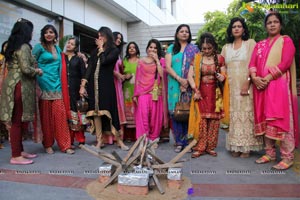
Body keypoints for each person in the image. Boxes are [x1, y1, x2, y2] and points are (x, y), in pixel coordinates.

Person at [249, 12, 298, 170]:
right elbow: (252, 63)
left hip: (278, 86)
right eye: (269, 22)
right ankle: (270, 153)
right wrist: (255, 78)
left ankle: (287, 156)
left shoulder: (286, 41)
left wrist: (268, 78)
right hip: (261, 88)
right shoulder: (260, 44)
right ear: (265, 26)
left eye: (275, 22)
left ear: (280, 25)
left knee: (282, 119)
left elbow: (285, 62)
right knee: (265, 118)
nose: (272, 24)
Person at [0, 18, 42, 164]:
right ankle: (16, 155)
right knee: (17, 121)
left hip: (11, 84)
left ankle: (20, 150)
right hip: (20, 86)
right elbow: (25, 69)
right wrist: (37, 70)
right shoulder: (23, 47)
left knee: (17, 120)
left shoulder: (11, 45)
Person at [79, 26, 129, 150]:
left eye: (102, 36)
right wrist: (83, 85)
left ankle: (119, 140)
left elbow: (105, 61)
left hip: (106, 85)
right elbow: (89, 68)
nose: (99, 38)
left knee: (110, 111)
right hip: (93, 86)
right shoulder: (94, 51)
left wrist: (101, 48)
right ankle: (100, 140)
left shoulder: (114, 50)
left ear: (107, 36)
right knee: (96, 113)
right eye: (98, 36)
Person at [221, 17, 264, 158]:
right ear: (231, 30)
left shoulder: (250, 44)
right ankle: (235, 145)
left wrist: (248, 81)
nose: (236, 28)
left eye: (239, 26)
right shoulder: (226, 48)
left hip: (247, 85)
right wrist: (222, 76)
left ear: (244, 29)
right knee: (233, 116)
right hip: (231, 88)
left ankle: (247, 147)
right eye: (234, 26)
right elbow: (222, 66)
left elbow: (255, 64)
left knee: (246, 114)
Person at [32, 24, 74, 154]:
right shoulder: (39, 47)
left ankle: (65, 145)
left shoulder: (57, 48)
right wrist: (37, 74)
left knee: (60, 116)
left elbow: (63, 63)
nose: (48, 34)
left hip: (57, 85)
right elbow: (31, 62)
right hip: (43, 84)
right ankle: (48, 144)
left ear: (55, 34)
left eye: (51, 32)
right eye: (46, 32)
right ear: (43, 35)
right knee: (46, 118)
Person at [189, 32, 226, 158]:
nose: (206, 51)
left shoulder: (220, 58)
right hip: (200, 92)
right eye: (204, 48)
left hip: (215, 93)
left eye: (209, 48)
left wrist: (222, 77)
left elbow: (224, 74)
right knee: (201, 120)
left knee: (214, 120)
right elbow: (190, 76)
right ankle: (200, 147)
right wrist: (195, 90)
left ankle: (210, 147)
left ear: (214, 47)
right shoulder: (197, 58)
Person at [165, 24, 199, 153]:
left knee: (188, 113)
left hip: (190, 85)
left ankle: (189, 141)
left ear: (189, 34)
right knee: (176, 113)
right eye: (181, 31)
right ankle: (179, 142)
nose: (184, 33)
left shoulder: (194, 49)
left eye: (187, 31)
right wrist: (180, 80)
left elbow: (197, 67)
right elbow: (168, 67)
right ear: (177, 34)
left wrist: (189, 83)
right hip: (174, 85)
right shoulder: (171, 48)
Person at [133, 39, 168, 144]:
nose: (152, 49)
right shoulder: (141, 61)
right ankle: (144, 139)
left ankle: (153, 139)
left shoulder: (161, 61)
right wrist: (136, 94)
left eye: (155, 48)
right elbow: (138, 79)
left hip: (156, 93)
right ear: (147, 48)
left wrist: (157, 61)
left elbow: (162, 75)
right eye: (150, 47)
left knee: (155, 118)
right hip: (143, 93)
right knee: (143, 117)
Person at [61, 36, 86, 147]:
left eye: (72, 44)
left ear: (76, 47)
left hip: (75, 89)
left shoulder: (78, 59)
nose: (69, 45)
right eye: (68, 43)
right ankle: (69, 139)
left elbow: (83, 74)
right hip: (63, 89)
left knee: (77, 113)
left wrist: (82, 87)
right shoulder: (62, 57)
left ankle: (80, 138)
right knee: (67, 113)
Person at [122, 41, 140, 141]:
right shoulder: (124, 61)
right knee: (127, 111)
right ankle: (128, 135)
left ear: (137, 49)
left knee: (137, 111)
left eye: (134, 47)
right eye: (130, 47)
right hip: (127, 89)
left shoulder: (140, 61)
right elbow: (121, 74)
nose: (132, 49)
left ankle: (137, 135)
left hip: (137, 89)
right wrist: (125, 76)